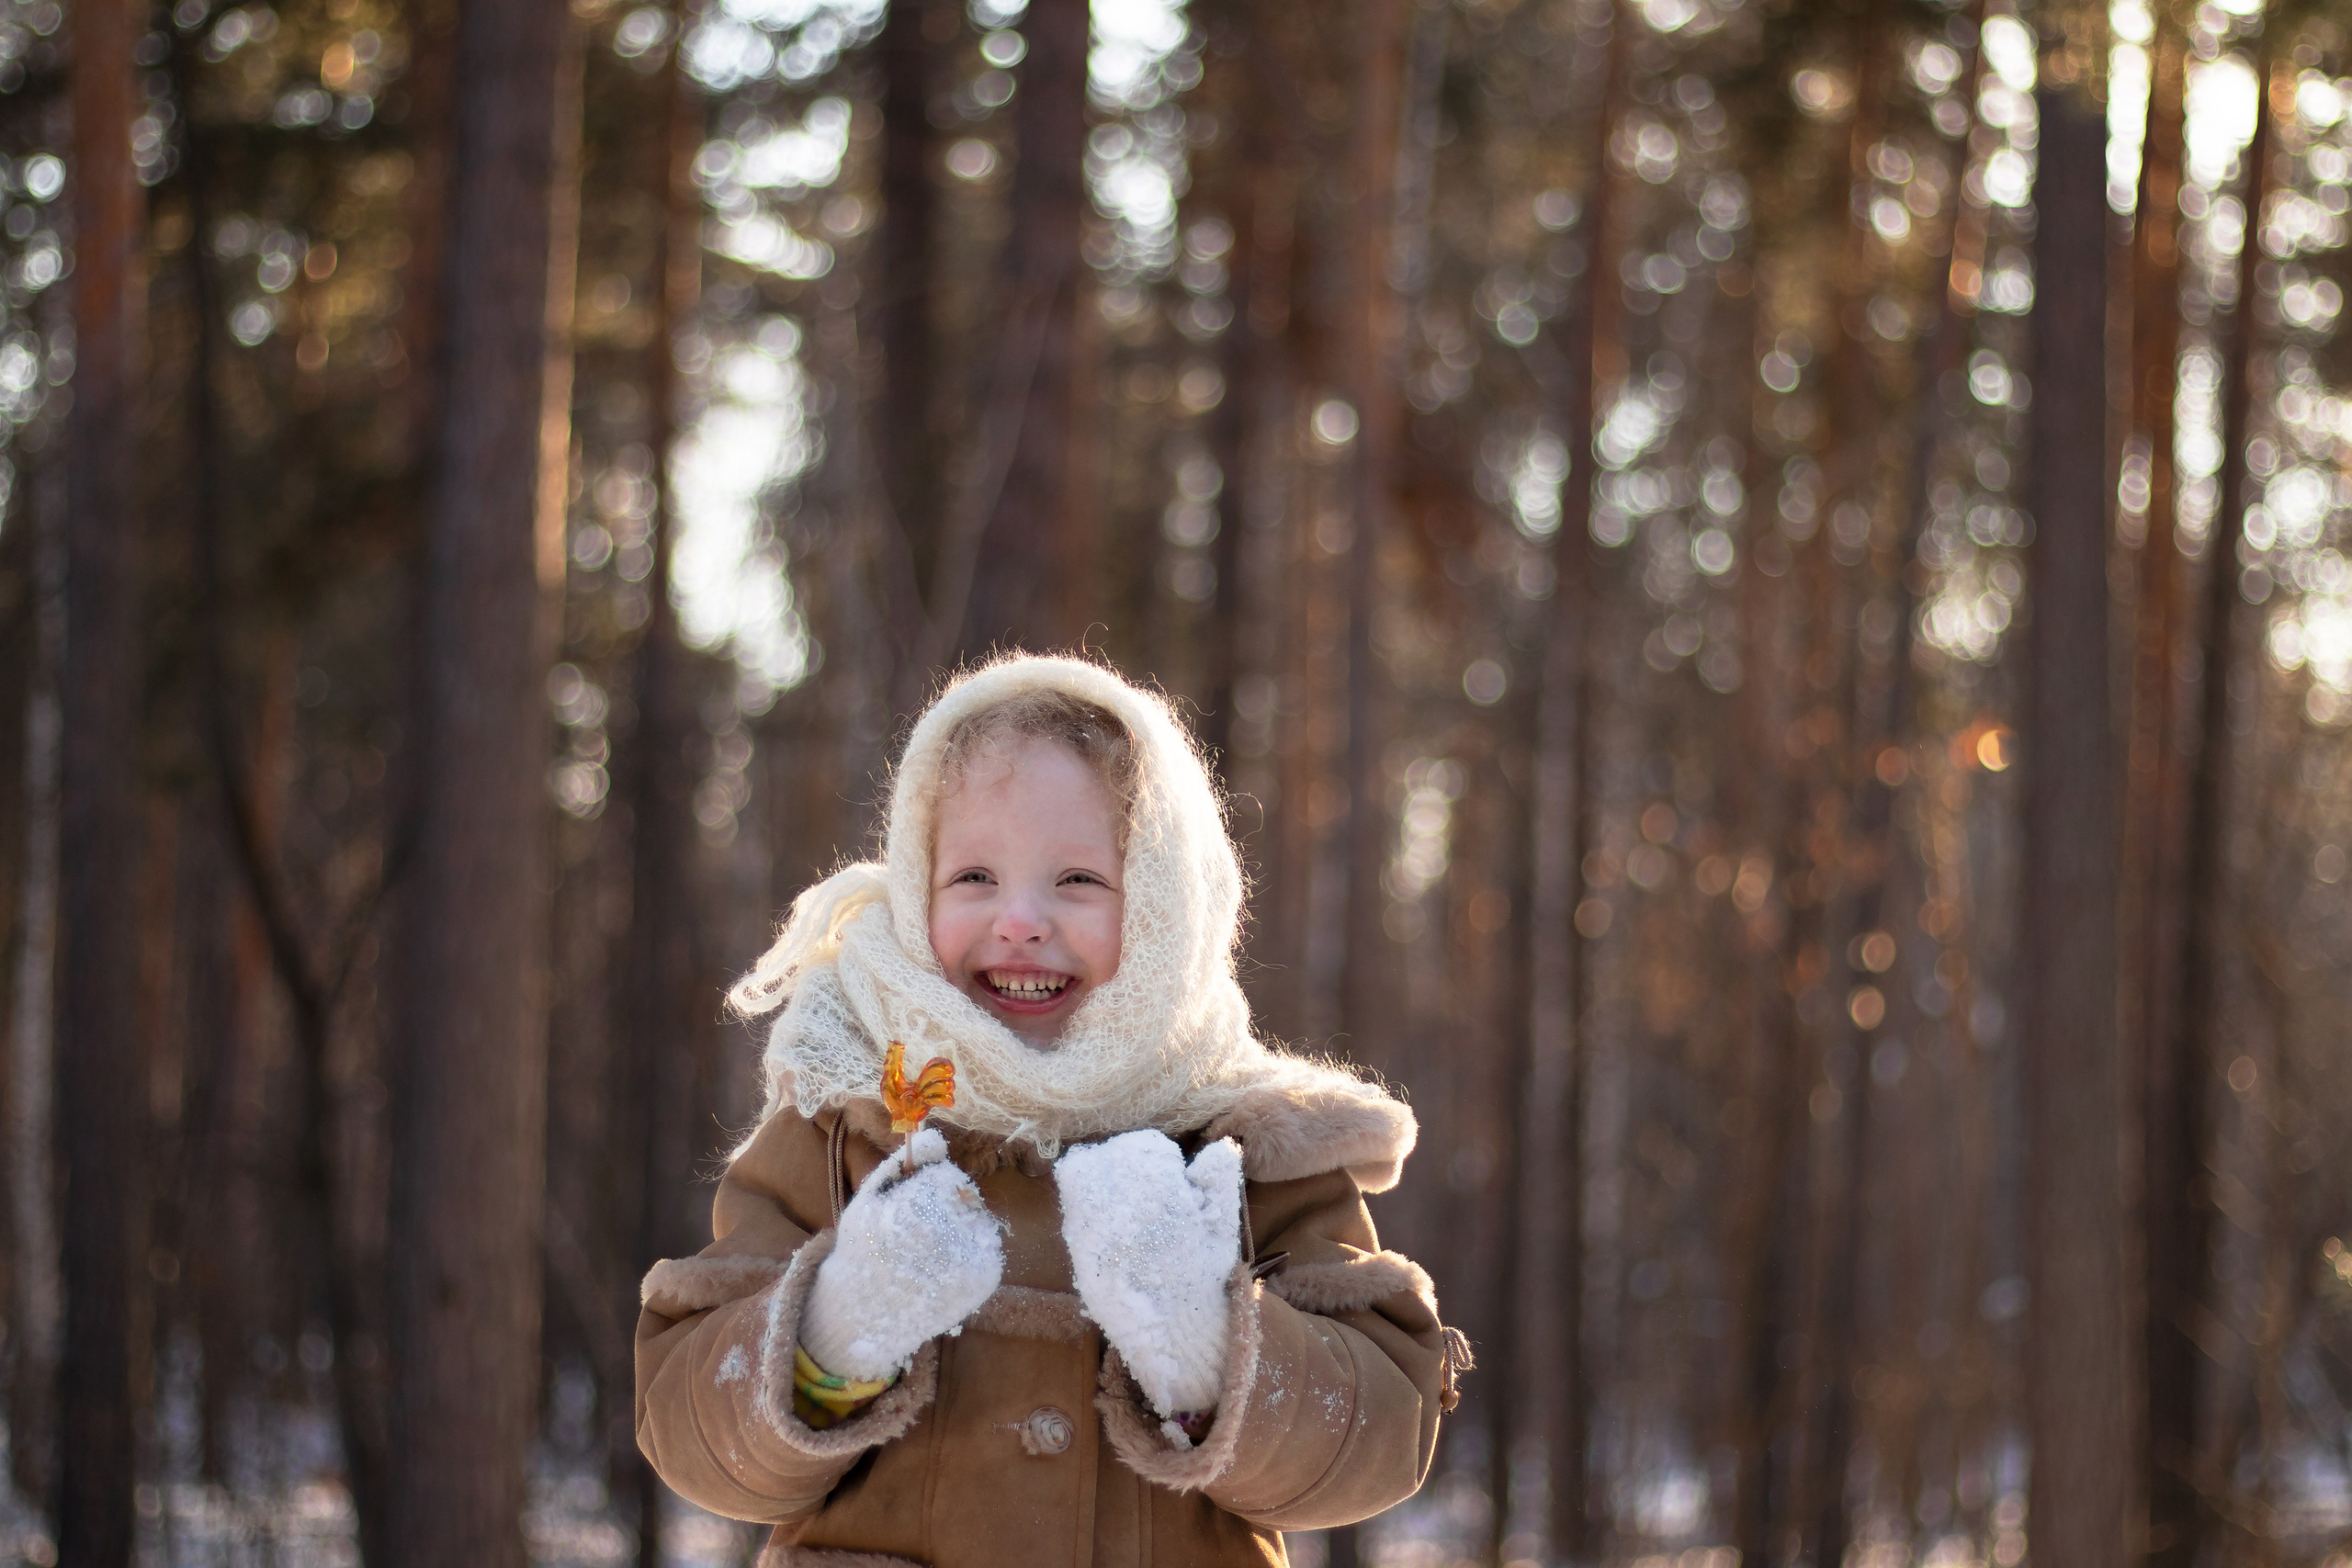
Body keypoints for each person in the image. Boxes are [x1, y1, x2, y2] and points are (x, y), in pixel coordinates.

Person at [634, 653, 1468, 1567]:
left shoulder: (1251, 1146)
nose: (1021, 919)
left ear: (1161, 909)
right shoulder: (850, 1120)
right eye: (973, 879)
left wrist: (1206, 1351)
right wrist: (833, 1334)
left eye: (1077, 881)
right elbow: (689, 1435)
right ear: (916, 890)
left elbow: (1381, 1440)